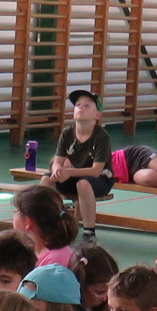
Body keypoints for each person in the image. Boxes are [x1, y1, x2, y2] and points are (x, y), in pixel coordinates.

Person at [47, 89, 116, 245]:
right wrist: (57, 170)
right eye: (78, 105)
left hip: (100, 179)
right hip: (75, 175)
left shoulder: (102, 137)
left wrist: (68, 172)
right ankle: (47, 225)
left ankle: (89, 232)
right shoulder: (67, 133)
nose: (81, 108)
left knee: (83, 184)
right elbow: (58, 160)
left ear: (97, 115)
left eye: (87, 106)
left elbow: (96, 171)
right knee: (47, 180)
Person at [10, 184, 77, 269]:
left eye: (16, 212)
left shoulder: (54, 262)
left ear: (27, 222)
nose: (12, 217)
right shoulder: (34, 252)